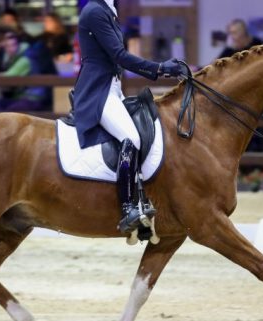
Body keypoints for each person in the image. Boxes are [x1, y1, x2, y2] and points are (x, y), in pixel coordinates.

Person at [73, 0, 182, 234]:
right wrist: (160, 68)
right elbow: (119, 55)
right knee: (131, 137)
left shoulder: (108, 11)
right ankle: (128, 208)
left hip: (112, 89)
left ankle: (142, 199)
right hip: (98, 92)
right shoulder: (95, 11)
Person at [0, 41, 58, 111]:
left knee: (8, 110)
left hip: (32, 97)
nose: (9, 49)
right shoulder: (29, 56)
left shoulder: (25, 59)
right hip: (36, 97)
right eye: (7, 46)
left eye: (12, 46)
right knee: (1, 103)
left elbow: (8, 76)